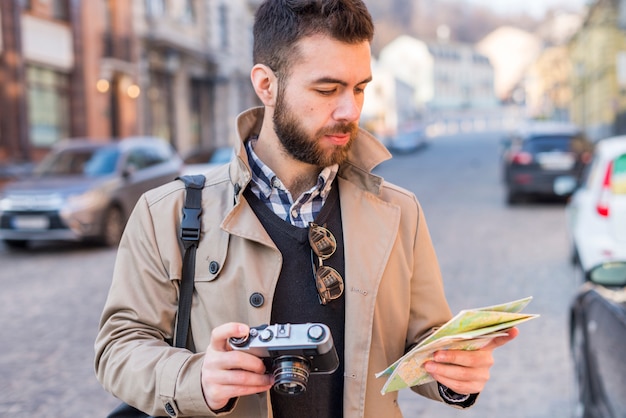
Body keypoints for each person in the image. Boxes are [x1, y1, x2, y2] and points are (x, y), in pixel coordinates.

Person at [94, 0, 519, 417]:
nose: (350, 110)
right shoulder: (165, 212)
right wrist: (195, 378)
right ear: (266, 85)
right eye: (327, 89)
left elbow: (422, 346)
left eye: (360, 88)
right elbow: (118, 348)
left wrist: (453, 375)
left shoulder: (399, 211)